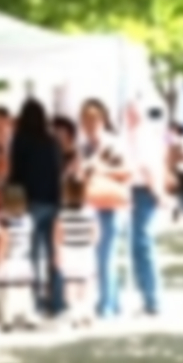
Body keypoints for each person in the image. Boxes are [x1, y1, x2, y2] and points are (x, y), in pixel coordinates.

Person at [8, 97, 64, 316]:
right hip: (52, 201)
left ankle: (33, 301)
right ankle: (57, 301)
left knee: (29, 254)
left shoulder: (20, 140)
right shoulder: (52, 141)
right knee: (54, 253)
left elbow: (16, 174)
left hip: (28, 202)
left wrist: (12, 200)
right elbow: (57, 173)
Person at [79, 98, 131, 319]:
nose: (89, 125)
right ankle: (113, 302)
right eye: (85, 121)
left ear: (102, 120)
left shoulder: (113, 143)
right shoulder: (82, 146)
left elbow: (128, 171)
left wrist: (100, 170)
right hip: (90, 204)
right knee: (101, 255)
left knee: (105, 255)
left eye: (93, 120)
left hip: (109, 205)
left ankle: (106, 306)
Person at [124, 103, 165, 316]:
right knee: (139, 246)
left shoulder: (141, 135)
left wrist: (157, 192)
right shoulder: (134, 134)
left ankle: (152, 298)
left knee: (142, 245)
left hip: (142, 190)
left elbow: (146, 166)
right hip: (136, 189)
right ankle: (148, 297)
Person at [0, 185, 37, 331]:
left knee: (7, 292)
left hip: (8, 260)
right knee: (25, 291)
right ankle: (29, 317)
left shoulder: (2, 221)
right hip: (24, 260)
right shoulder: (28, 220)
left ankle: (7, 319)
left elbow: (3, 242)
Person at [54, 177, 97, 327]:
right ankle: (87, 312)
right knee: (86, 283)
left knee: (70, 284)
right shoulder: (90, 213)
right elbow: (96, 235)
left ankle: (75, 313)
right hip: (85, 252)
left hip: (69, 252)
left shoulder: (62, 215)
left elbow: (58, 236)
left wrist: (58, 253)